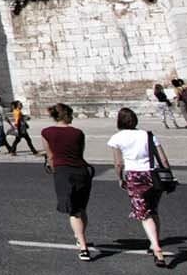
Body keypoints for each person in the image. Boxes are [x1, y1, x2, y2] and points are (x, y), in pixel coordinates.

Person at [107, 107, 171, 267]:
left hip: (135, 176)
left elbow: (118, 163)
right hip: (153, 175)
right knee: (153, 209)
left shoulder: (116, 138)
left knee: (144, 213)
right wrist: (168, 176)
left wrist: (120, 178)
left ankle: (157, 249)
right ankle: (153, 242)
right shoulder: (148, 135)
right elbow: (163, 159)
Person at [41, 102, 94, 261]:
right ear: (67, 115)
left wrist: (52, 168)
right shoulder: (78, 133)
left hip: (63, 172)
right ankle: (81, 237)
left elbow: (50, 156)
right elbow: (80, 153)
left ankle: (83, 246)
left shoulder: (46, 132)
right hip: (82, 171)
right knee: (81, 208)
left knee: (73, 210)